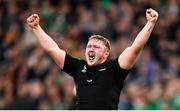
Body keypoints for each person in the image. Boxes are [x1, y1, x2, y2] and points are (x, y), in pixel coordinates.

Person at [26, 8, 158, 110]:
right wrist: (36, 28)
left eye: (96, 47)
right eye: (89, 46)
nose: (91, 49)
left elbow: (135, 48)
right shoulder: (78, 66)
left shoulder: (114, 68)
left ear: (106, 54)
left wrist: (150, 23)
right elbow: (53, 49)